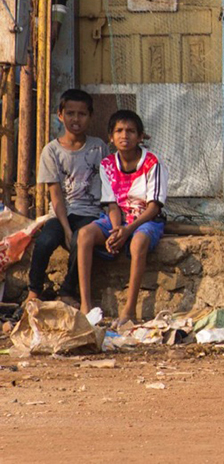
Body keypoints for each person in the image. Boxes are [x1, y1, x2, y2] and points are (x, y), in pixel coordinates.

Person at [77, 110, 168, 325]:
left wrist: (127, 230)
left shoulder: (152, 162)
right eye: (118, 131)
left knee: (138, 243)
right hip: (118, 218)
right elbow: (112, 204)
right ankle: (85, 306)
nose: (124, 135)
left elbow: (153, 207)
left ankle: (129, 311)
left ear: (140, 136)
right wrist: (117, 229)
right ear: (111, 136)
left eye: (130, 131)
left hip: (145, 219)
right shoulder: (108, 164)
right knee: (84, 235)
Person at [25, 89, 107, 305]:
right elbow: (56, 195)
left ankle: (68, 292)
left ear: (90, 116)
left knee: (81, 241)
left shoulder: (99, 147)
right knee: (44, 242)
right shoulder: (51, 151)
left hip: (90, 213)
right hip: (61, 213)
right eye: (70, 113)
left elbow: (109, 183)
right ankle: (34, 291)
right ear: (60, 115)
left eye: (82, 114)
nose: (76, 119)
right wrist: (66, 228)